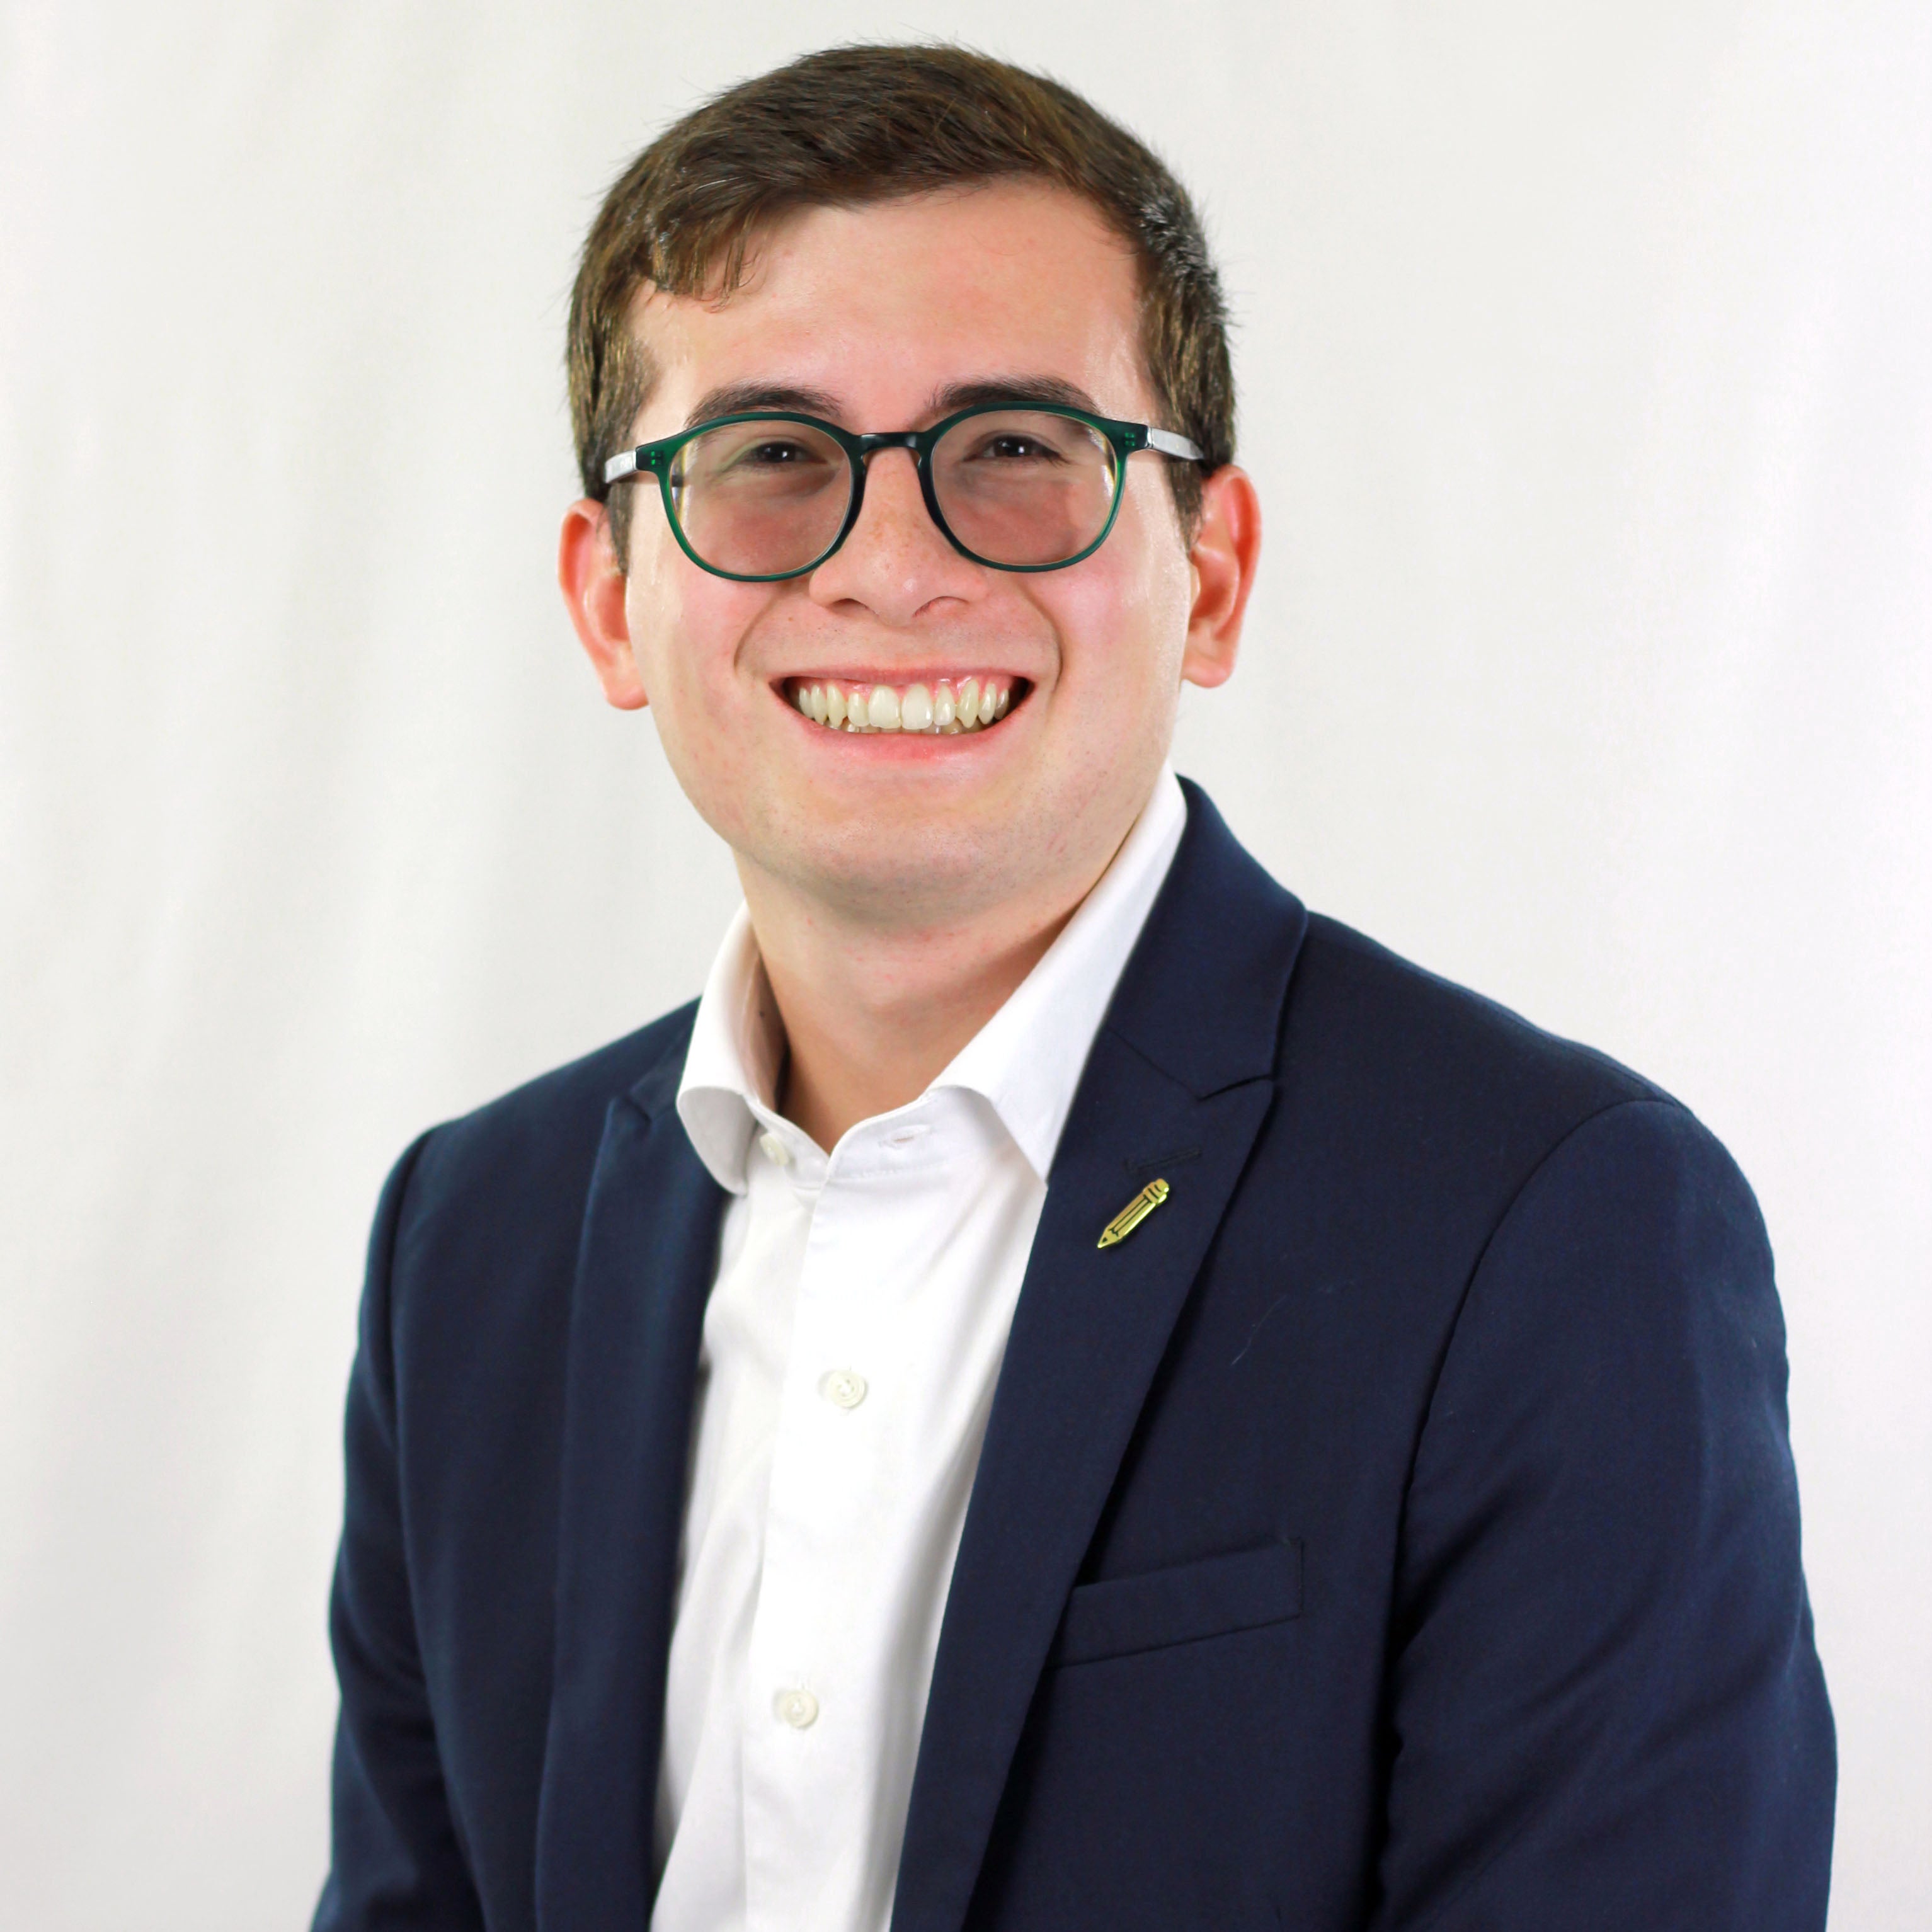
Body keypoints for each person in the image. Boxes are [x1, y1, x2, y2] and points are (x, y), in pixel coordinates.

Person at [314, 42, 1834, 1932]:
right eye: (769, 459)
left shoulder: (1548, 1221)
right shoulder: (471, 1237)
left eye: (1016, 454)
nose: (888, 565)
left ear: (1207, 572)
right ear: (612, 599)